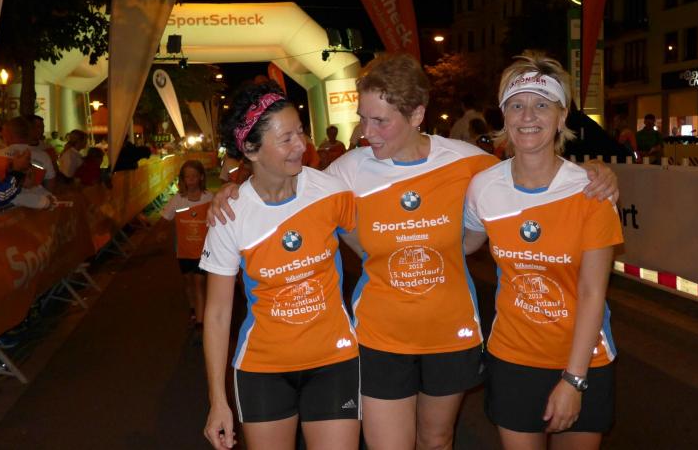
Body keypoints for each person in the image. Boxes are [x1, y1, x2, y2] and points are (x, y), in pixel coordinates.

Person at [208, 54, 618, 450]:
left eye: (381, 121)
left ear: (417, 115)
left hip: (450, 334)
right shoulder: (346, 172)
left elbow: (527, 171)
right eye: (363, 118)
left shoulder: (468, 164)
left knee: (436, 441)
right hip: (379, 337)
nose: (367, 132)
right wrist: (232, 189)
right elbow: (286, 189)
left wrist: (597, 173)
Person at [464, 52, 623, 449]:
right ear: (504, 115)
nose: (528, 116)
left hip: (584, 358)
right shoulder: (484, 188)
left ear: (561, 116)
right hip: (512, 357)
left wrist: (573, 380)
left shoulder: (591, 191)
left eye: (541, 105)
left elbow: (592, 292)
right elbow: (463, 244)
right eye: (516, 105)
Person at [200, 82, 360, 450]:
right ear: (250, 149)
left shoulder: (331, 191)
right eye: (286, 138)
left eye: (300, 132)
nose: (301, 145)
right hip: (263, 369)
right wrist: (218, 401)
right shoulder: (229, 215)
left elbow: (375, 251)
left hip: (334, 359)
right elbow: (218, 313)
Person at [161, 160, 214, 330]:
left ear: (201, 177)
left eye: (194, 176)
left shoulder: (209, 198)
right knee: (188, 281)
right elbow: (165, 218)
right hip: (183, 251)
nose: (190, 180)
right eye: (187, 177)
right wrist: (161, 233)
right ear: (182, 179)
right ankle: (193, 309)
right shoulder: (178, 199)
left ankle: (200, 322)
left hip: (203, 251)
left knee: (199, 282)